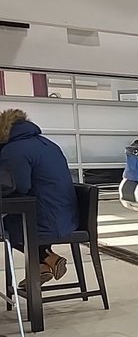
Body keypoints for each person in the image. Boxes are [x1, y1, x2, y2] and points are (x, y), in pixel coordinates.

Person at [0, 109, 78, 286]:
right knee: (20, 222)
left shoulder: (15, 150)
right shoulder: (47, 144)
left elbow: (16, 187)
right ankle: (45, 262)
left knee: (5, 227)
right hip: (67, 217)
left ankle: (46, 259)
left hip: (47, 221)